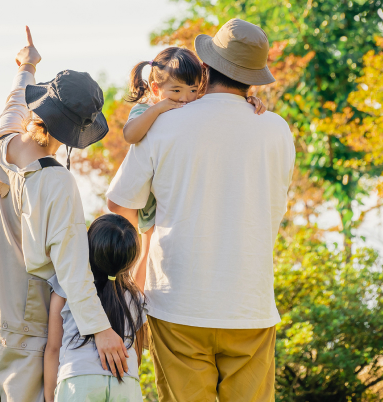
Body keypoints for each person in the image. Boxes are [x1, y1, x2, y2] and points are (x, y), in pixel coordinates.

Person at [106, 19, 296, 402]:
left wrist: (129, 278)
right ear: (253, 80)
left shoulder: (162, 124)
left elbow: (119, 205)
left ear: (204, 69)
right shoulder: (277, 130)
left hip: (177, 302)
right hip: (250, 305)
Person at [0, 27, 130, 402]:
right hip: (26, 325)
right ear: (77, 130)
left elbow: (14, 103)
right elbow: (73, 269)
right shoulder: (58, 183)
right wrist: (101, 329)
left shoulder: (0, 145)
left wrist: (26, 66)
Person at [120, 47, 265, 289]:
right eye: (176, 91)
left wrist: (246, 101)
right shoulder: (147, 109)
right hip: (150, 190)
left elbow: (221, 101)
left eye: (193, 90)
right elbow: (130, 135)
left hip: (173, 188)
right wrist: (158, 109)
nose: (185, 98)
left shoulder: (190, 104)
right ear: (156, 89)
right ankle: (136, 297)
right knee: (148, 246)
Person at [43, 214, 148, 402]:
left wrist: (50, 398)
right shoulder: (136, 298)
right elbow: (137, 351)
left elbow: (53, 348)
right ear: (130, 259)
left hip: (79, 377)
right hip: (126, 380)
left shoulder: (67, 287)